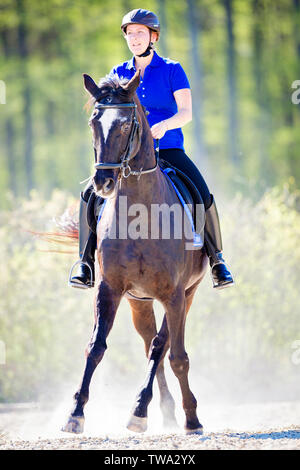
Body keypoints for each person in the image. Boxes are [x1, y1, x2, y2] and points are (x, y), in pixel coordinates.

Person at [70, 8, 234, 290]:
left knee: (201, 191)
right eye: (130, 34)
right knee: (89, 195)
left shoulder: (173, 69)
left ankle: (217, 260)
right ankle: (85, 263)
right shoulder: (118, 72)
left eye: (140, 33)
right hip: (127, 157)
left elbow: (186, 113)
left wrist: (166, 125)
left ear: (153, 37)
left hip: (168, 148)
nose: (134, 38)